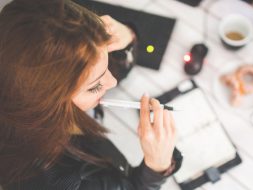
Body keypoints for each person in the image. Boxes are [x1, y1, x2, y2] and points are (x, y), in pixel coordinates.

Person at [0, 0, 182, 189]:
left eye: (107, 55)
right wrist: (156, 167)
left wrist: (127, 37)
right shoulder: (62, 182)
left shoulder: (26, 62)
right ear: (47, 103)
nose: (113, 83)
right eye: (94, 87)